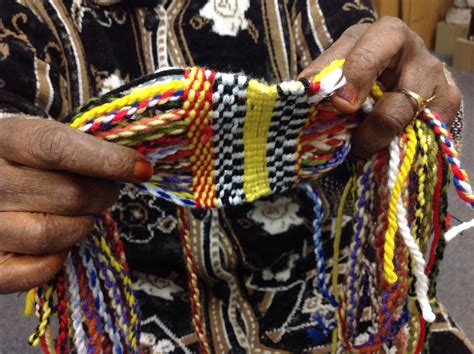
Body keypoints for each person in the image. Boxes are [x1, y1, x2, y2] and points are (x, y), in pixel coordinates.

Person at [0, 0, 469, 352]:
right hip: (126, 322)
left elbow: (415, 116)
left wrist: (434, 101)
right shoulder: (27, 16)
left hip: (347, 307)